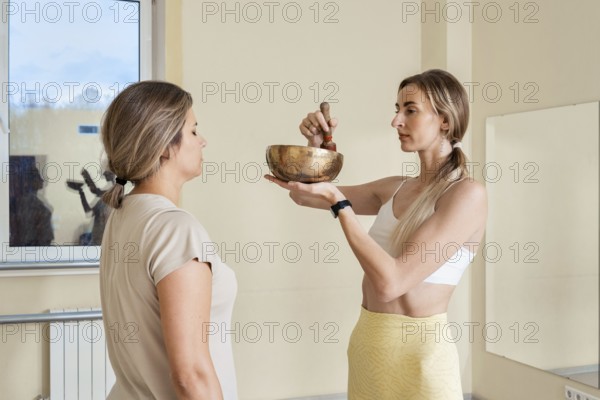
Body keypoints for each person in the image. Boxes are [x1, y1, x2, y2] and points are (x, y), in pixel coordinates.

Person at [265, 69, 487, 399]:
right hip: (369, 346)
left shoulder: (466, 195)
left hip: (422, 361)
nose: (396, 121)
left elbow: (391, 283)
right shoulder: (394, 187)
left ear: (445, 120)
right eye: (396, 109)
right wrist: (315, 149)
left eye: (410, 110)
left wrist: (341, 206)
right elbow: (304, 195)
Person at [99, 81, 238, 399]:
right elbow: (191, 375)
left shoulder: (124, 214)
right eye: (193, 131)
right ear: (163, 145)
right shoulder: (175, 228)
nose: (203, 141)